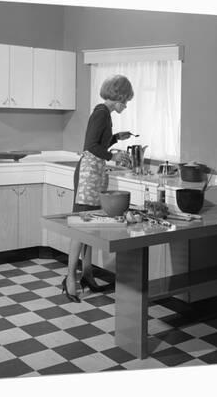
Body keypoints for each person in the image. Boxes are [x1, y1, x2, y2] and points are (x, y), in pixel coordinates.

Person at [62, 75, 134, 303]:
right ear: (119, 96)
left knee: (90, 226)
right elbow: (91, 146)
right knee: (80, 227)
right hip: (87, 176)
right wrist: (113, 154)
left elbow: (99, 142)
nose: (127, 104)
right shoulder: (101, 113)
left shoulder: (106, 115)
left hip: (95, 174)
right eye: (126, 100)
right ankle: (69, 280)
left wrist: (114, 138)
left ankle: (87, 274)